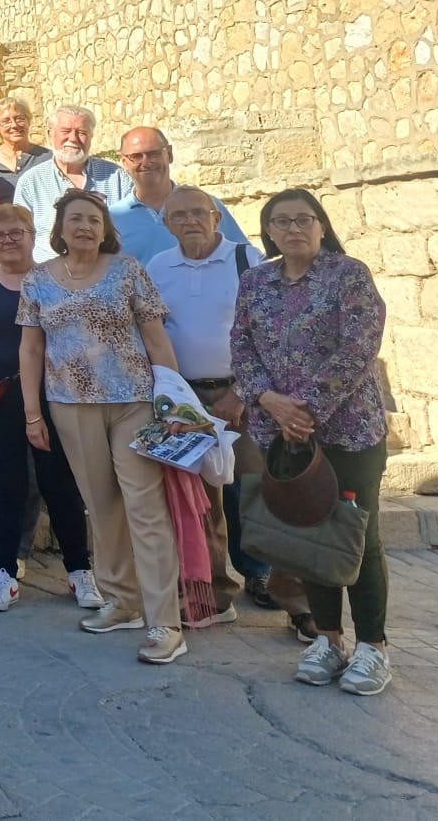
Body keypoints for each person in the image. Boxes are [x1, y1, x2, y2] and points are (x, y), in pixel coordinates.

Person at [234, 188, 393, 696]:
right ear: (269, 232)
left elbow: (359, 346)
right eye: (282, 221)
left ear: (322, 226)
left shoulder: (349, 275)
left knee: (355, 535)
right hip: (284, 436)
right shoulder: (256, 282)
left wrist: (306, 409)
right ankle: (329, 639)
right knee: (309, 535)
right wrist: (268, 400)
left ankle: (373, 647)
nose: (294, 228)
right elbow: (241, 346)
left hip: (348, 432)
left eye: (305, 219)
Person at [20, 189, 185, 665]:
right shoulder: (37, 280)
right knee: (100, 505)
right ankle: (122, 599)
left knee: (145, 506)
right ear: (61, 228)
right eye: (76, 219)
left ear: (105, 229)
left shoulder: (129, 271)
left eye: (93, 219)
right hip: (69, 405)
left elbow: (156, 338)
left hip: (134, 400)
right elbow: (30, 350)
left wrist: (173, 403)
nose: (85, 227)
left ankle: (165, 621)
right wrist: (33, 413)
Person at [0, 204, 99, 614]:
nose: (9, 241)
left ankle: (80, 570)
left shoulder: (55, 279)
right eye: (0, 236)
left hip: (55, 398)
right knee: (5, 488)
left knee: (61, 487)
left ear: (32, 233)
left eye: (16, 232)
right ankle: (4, 572)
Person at [146, 185, 272, 625]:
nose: (190, 222)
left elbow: (270, 335)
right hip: (186, 399)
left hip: (245, 395)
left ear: (217, 218)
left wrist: (241, 393)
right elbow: (152, 329)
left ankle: (264, 575)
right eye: (179, 216)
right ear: (166, 224)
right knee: (202, 501)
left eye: (199, 213)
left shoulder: (247, 260)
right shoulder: (158, 267)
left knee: (253, 493)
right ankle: (215, 592)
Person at [108, 126, 248, 264]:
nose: (146, 162)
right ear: (124, 162)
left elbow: (244, 258)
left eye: (154, 154)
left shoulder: (206, 206)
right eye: (136, 156)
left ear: (169, 154)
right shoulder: (112, 219)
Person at [15, 104, 136, 261]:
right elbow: (20, 234)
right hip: (49, 277)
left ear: (92, 136)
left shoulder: (117, 177)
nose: (73, 138)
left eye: (82, 132)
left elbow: (132, 228)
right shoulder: (31, 182)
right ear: (50, 134)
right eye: (65, 131)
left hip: (106, 274)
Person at [0, 98, 51, 204]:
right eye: (6, 121)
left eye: (20, 118)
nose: (14, 125)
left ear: (28, 121)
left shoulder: (48, 158)